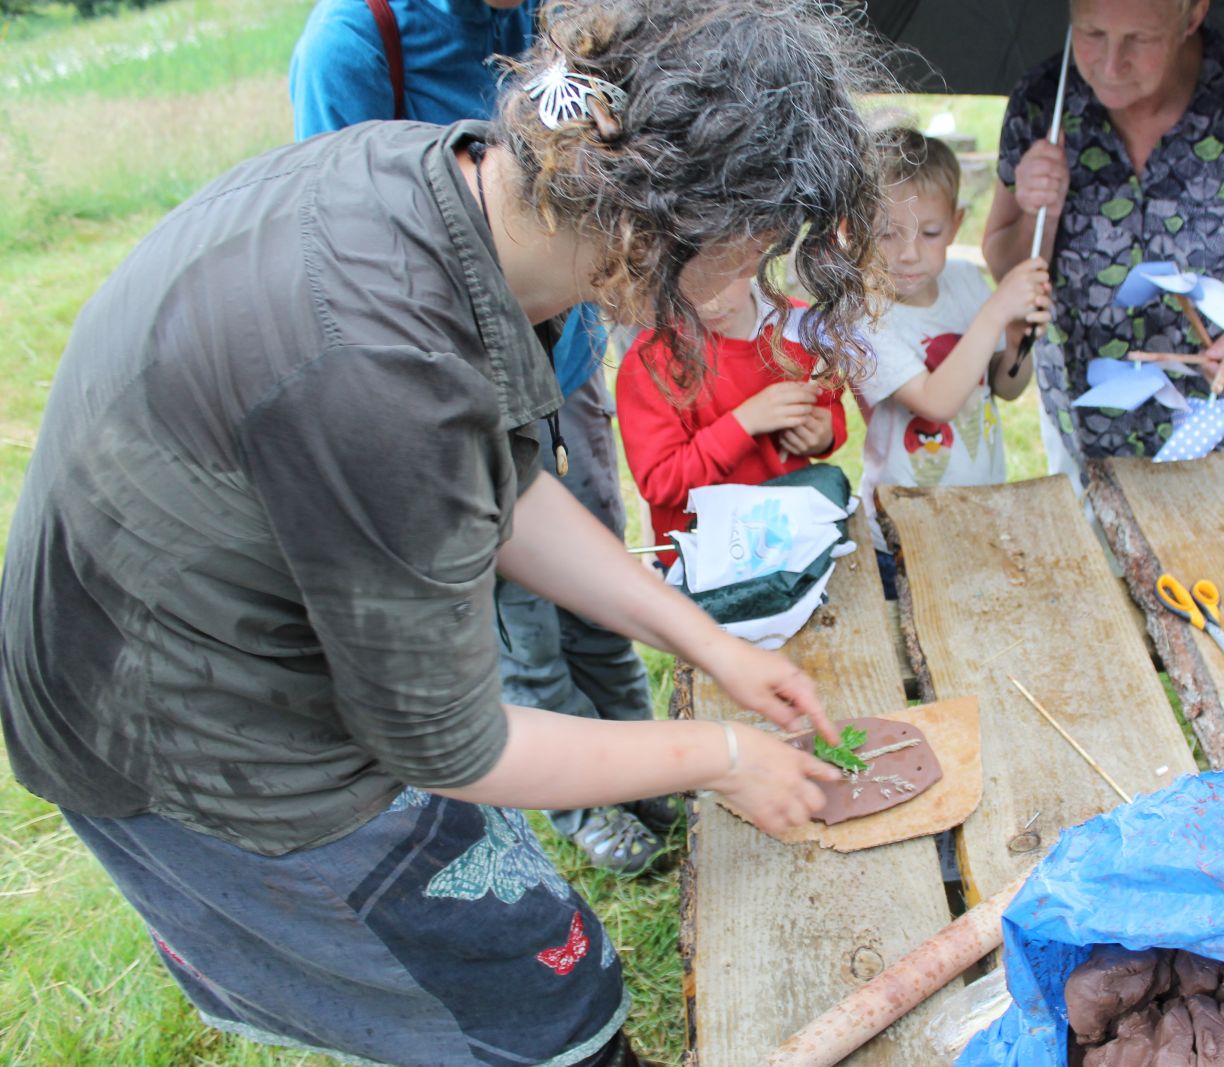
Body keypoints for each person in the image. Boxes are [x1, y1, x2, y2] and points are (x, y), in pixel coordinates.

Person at [0, 2, 881, 1064]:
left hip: (242, 625)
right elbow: (456, 743)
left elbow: (502, 483)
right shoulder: (380, 368)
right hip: (177, 728)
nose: (751, 286)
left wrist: (708, 641)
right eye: (752, 255)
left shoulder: (452, 187)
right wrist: (722, 753)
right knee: (532, 1001)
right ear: (656, 235)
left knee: (518, 942)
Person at [291, 0, 667, 873]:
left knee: (597, 577)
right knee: (522, 621)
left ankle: (641, 755)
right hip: (458, 396)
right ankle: (580, 798)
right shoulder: (354, 44)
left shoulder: (551, 18)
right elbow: (340, 243)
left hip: (563, 366)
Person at [985, 0, 1224, 466]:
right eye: (1091, 33)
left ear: (1192, 16)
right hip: (1091, 426)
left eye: (1139, 39)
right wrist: (1034, 211)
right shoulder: (1043, 105)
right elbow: (1009, 268)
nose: (1110, 64)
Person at [856, 128, 1050, 596]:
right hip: (905, 527)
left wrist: (1019, 339)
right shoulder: (864, 320)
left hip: (982, 505)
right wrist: (996, 313)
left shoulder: (965, 281)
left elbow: (1004, 386)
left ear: (957, 225)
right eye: (886, 233)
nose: (908, 252)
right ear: (854, 230)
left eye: (930, 233)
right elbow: (934, 403)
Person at [616, 276, 848, 569]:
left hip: (792, 541)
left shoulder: (798, 327)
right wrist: (743, 423)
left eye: (722, 276)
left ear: (754, 254)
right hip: (704, 561)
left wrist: (825, 434)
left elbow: (830, 402)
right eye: (695, 278)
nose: (712, 302)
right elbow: (660, 481)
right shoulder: (651, 361)